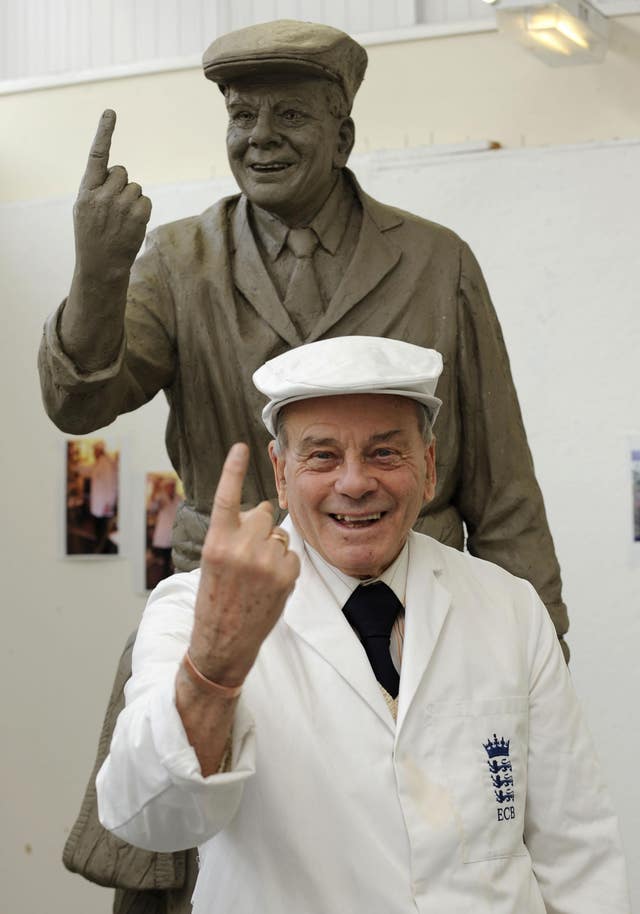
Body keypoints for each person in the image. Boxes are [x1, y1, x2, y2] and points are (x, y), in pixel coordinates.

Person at [37, 19, 569, 654]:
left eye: (289, 114)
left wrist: (540, 647)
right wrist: (98, 275)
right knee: (160, 745)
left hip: (407, 609)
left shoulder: (437, 263)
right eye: (242, 116)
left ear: (341, 137)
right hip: (231, 608)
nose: (261, 137)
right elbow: (79, 404)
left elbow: (502, 487)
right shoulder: (179, 262)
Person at [96, 336, 629, 914]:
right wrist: (215, 666)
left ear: (427, 469)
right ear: (279, 474)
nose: (354, 483)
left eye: (383, 453)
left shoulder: (510, 608)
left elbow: (578, 854)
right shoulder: (192, 609)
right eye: (322, 456)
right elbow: (148, 816)